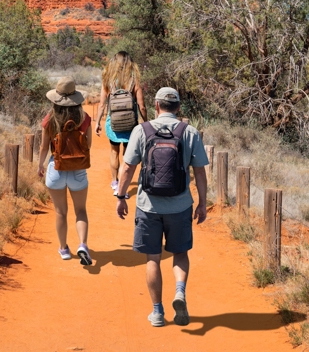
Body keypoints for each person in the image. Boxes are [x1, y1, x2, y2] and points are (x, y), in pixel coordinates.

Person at [115, 87, 207, 327]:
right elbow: (199, 172)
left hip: (148, 206)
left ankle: (157, 312)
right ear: (178, 107)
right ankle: (179, 292)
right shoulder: (190, 133)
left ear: (156, 106)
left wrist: (121, 196)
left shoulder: (141, 130)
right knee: (180, 253)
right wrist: (203, 204)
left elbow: (127, 168)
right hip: (180, 206)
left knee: (153, 258)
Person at [38, 76, 94, 265]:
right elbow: (88, 145)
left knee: (61, 212)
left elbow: (44, 148)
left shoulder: (50, 120)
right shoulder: (84, 119)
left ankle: (63, 249)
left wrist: (40, 166)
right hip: (78, 170)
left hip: (56, 168)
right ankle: (83, 245)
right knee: (81, 211)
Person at [94, 51, 147, 195]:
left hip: (113, 123)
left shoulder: (108, 81)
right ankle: (123, 186)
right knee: (127, 155)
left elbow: (102, 105)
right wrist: (146, 123)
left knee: (113, 152)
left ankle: (115, 183)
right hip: (131, 124)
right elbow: (141, 106)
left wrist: (97, 122)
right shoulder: (134, 81)